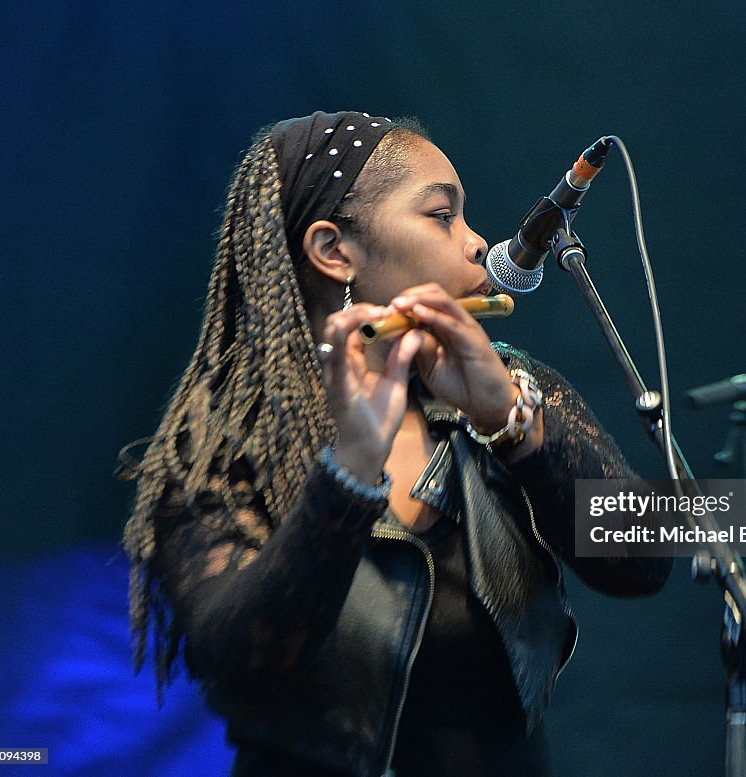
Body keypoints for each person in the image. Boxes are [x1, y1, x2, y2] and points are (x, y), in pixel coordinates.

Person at [123, 110, 672, 777]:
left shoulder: (511, 387)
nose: (478, 244)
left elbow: (647, 561)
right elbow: (242, 659)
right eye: (443, 216)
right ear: (334, 251)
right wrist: (349, 473)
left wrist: (515, 424)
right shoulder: (216, 448)